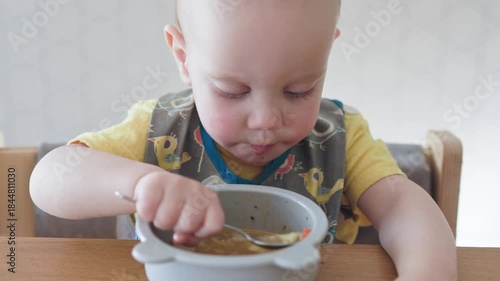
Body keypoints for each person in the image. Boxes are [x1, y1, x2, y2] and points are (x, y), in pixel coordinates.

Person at [30, 0, 457, 279]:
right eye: (232, 92)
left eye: (299, 90)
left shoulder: (342, 135)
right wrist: (139, 184)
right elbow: (49, 179)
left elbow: (403, 204)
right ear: (183, 57)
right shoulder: (159, 128)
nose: (266, 119)